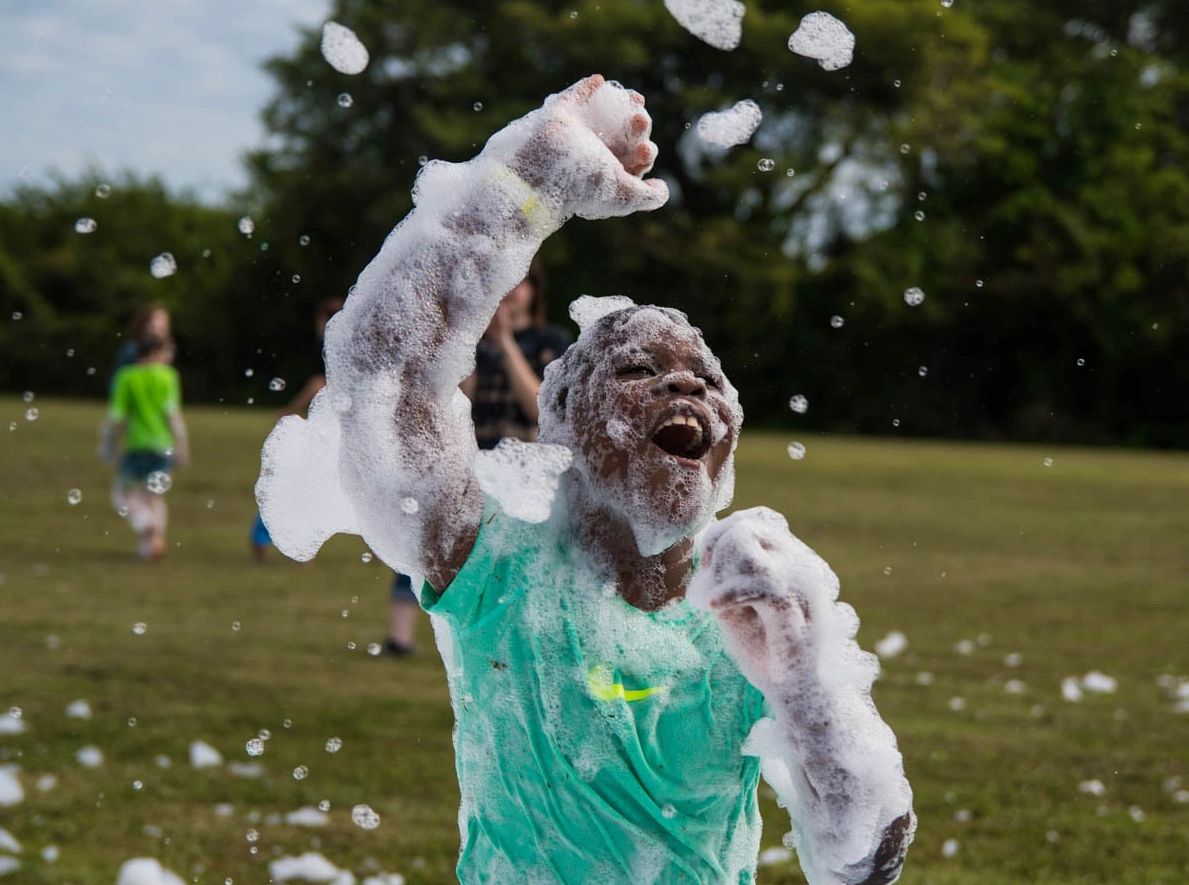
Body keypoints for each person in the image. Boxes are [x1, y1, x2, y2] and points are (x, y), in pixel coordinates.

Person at [259, 76, 915, 883]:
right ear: (563, 415)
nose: (687, 391)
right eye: (640, 369)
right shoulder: (495, 568)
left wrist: (806, 685)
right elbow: (379, 370)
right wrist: (523, 186)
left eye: (708, 381)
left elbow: (863, 860)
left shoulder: (743, 609)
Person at [385, 257, 570, 656]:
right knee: (427, 544)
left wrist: (504, 343)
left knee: (514, 561)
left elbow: (540, 409)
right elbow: (455, 406)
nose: (510, 293)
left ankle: (507, 641)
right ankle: (400, 639)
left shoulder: (550, 341)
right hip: (469, 462)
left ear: (534, 291)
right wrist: (470, 343)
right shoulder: (468, 344)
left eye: (520, 284)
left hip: (523, 469)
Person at [250, 297, 344, 561]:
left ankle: (263, 535)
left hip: (325, 425)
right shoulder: (350, 344)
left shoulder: (327, 343)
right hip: (342, 424)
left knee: (297, 480)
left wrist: (292, 408)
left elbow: (318, 383)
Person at [101, 333, 189, 561]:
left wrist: (109, 447)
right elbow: (173, 417)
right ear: (156, 352)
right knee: (153, 497)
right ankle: (151, 544)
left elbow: (116, 419)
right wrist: (182, 447)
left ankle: (146, 525)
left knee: (124, 494)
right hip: (163, 447)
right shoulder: (168, 376)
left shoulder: (127, 376)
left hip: (136, 446)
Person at [111, 303, 171, 386]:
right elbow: (118, 378)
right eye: (156, 319)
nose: (159, 324)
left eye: (163, 320)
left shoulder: (168, 347)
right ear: (146, 323)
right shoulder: (131, 349)